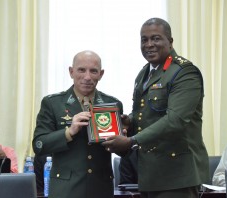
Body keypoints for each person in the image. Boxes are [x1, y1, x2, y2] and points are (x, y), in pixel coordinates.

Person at [102, 17, 209, 198]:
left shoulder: (184, 72)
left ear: (170, 41)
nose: (149, 44)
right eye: (144, 40)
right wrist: (128, 121)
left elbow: (175, 120)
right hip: (151, 173)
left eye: (156, 38)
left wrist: (132, 140)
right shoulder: (144, 73)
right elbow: (147, 116)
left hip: (177, 175)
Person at [32, 50, 123, 198]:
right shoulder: (53, 103)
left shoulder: (112, 104)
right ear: (71, 72)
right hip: (66, 190)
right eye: (81, 70)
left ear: (101, 74)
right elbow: (39, 145)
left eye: (93, 71)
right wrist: (69, 132)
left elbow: (124, 152)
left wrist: (121, 141)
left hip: (101, 189)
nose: (87, 77)